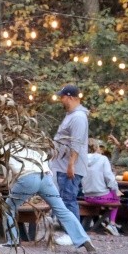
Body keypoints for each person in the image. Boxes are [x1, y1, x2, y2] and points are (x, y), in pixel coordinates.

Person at [5, 144, 96, 253]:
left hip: (27, 178)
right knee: (62, 210)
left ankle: (13, 241)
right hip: (46, 178)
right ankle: (84, 239)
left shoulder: (5, 147)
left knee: (8, 207)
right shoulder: (33, 145)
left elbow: (8, 175)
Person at [49, 85, 89, 239]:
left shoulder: (79, 117)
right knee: (64, 198)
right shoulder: (70, 115)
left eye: (62, 97)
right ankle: (67, 228)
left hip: (70, 166)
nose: (61, 100)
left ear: (70, 97)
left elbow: (77, 142)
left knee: (69, 199)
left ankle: (73, 234)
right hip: (62, 164)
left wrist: (71, 164)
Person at [81, 140, 122, 235]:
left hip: (87, 197)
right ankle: (112, 224)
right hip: (101, 196)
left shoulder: (82, 159)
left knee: (112, 194)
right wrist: (116, 189)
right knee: (116, 197)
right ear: (97, 147)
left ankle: (104, 222)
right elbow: (109, 177)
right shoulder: (103, 159)